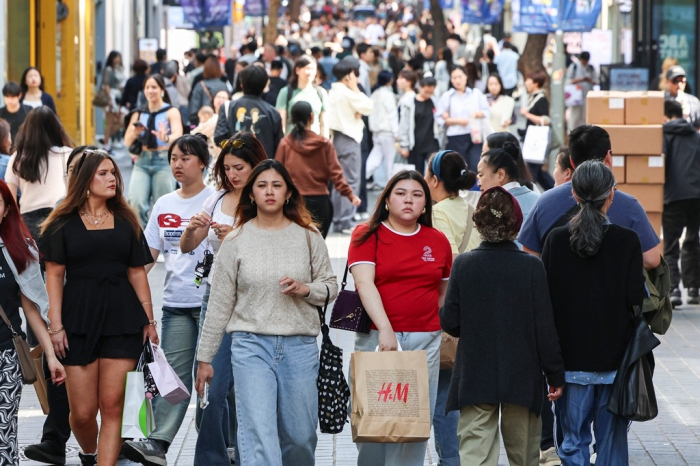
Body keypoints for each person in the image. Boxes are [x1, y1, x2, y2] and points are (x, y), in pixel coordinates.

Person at [195, 159, 339, 465]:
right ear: (251, 194)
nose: (269, 192)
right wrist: (205, 359)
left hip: (299, 347)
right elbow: (219, 304)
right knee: (258, 434)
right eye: (261, 185)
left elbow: (330, 286)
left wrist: (306, 289)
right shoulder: (235, 240)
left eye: (276, 185)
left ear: (288, 193)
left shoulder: (308, 236)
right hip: (250, 346)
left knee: (300, 438)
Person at [40, 149, 158, 466]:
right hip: (77, 319)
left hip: (122, 319)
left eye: (113, 173)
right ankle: (90, 454)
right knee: (81, 413)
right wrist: (56, 326)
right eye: (103, 173)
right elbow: (54, 275)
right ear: (84, 180)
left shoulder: (127, 221)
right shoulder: (60, 224)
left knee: (113, 405)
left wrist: (150, 320)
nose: (112, 179)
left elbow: (137, 272)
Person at [440, 185, 565, 466]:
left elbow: (452, 323)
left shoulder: (464, 265)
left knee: (475, 455)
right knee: (524, 456)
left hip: (475, 374)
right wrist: (556, 374)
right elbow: (545, 328)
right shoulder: (532, 268)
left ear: (479, 224)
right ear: (517, 224)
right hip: (522, 375)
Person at [542, 160, 647, 465]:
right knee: (612, 443)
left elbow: (546, 304)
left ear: (573, 193)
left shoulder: (556, 241)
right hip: (615, 363)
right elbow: (633, 298)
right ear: (611, 194)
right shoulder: (627, 241)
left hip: (570, 363)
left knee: (572, 442)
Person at [121, 134, 215, 466]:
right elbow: (148, 255)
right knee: (172, 378)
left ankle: (220, 445)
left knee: (214, 379)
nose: (177, 163)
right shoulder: (163, 204)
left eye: (185, 158)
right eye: (174, 157)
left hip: (213, 306)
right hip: (175, 303)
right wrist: (125, 287)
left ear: (203, 162)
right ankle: (158, 444)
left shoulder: (216, 200)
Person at [348, 170, 452, 466]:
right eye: (401, 193)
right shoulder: (366, 234)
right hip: (377, 339)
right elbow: (364, 283)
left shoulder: (438, 240)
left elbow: (442, 292)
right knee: (372, 419)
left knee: (414, 423)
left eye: (417, 194)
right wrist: (386, 329)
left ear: (425, 204)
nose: (409, 200)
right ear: (387, 199)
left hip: (425, 342)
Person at [180, 132, 266, 466]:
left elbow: (277, 254)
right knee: (210, 386)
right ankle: (212, 458)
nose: (233, 174)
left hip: (256, 304)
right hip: (216, 299)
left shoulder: (267, 198)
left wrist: (237, 239)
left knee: (244, 389)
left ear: (256, 165)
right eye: (228, 167)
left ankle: (245, 454)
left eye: (240, 167)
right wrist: (192, 228)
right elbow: (188, 246)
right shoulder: (216, 200)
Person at [22, 145, 96, 466]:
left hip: (107, 311)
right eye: (75, 169)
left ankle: (119, 439)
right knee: (58, 369)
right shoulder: (58, 213)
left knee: (110, 385)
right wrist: (53, 318)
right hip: (66, 309)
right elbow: (49, 270)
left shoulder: (116, 212)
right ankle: (54, 440)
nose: (81, 175)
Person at [518, 124, 661, 271]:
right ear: (608, 158)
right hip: (612, 292)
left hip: (557, 293)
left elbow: (529, 257)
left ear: (572, 161)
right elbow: (652, 259)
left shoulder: (544, 202)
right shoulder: (630, 206)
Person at [0, 179, 66, 465]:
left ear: (5, 210)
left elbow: (32, 310)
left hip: (5, 357)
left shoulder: (17, 250)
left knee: (4, 435)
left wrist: (51, 357)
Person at [424, 150, 476, 466]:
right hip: (477, 312)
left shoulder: (439, 212)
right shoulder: (472, 209)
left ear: (433, 179)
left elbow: (452, 263)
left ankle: (451, 460)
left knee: (444, 391)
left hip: (451, 314)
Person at [275, 101, 361, 237]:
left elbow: (277, 175)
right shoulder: (324, 144)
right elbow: (336, 174)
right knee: (317, 250)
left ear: (292, 119)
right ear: (312, 117)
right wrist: (350, 195)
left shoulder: (285, 144)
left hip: (294, 203)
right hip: (321, 203)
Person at [4, 106, 74, 242]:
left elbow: (10, 199)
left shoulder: (18, 157)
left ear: (28, 129)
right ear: (55, 127)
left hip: (28, 221)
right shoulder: (68, 154)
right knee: (59, 262)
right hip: (61, 217)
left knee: (35, 262)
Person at [124, 74, 184, 227]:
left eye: (154, 87)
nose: (150, 91)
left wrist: (166, 138)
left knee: (164, 207)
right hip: (142, 161)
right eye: (147, 88)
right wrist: (135, 132)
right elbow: (127, 141)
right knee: (136, 203)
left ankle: (162, 245)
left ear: (162, 90)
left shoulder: (171, 111)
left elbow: (178, 135)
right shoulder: (139, 113)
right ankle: (141, 245)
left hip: (163, 160)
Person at [325, 60, 373, 233]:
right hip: (349, 138)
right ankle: (344, 221)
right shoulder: (346, 92)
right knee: (350, 180)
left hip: (338, 138)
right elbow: (368, 106)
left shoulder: (333, 91)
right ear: (349, 75)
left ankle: (341, 219)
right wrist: (355, 88)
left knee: (341, 180)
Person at [662, 100, 700, 307]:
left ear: (666, 116)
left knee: (671, 244)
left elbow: (661, 165)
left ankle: (673, 289)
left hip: (673, 196)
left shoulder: (664, 135)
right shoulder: (695, 136)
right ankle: (693, 288)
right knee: (692, 240)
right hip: (696, 195)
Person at [214, 65, 283, 159]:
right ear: (264, 85)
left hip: (235, 167)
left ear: (241, 84)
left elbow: (219, 138)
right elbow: (279, 145)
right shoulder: (273, 112)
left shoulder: (228, 107)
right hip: (262, 167)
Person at [436, 65, 490, 173]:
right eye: (454, 78)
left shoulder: (475, 94)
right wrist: (456, 121)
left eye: (460, 77)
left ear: (466, 76)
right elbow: (439, 118)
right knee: (458, 169)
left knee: (476, 166)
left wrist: (477, 114)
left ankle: (475, 189)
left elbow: (487, 112)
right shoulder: (447, 96)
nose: (457, 80)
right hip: (455, 137)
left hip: (474, 136)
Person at [477, 140, 539, 229]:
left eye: (481, 175)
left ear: (500, 175)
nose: (478, 182)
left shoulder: (492, 205)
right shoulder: (537, 199)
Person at [276, 55, 329, 137]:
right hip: (292, 143)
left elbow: (324, 123)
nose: (310, 72)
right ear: (297, 70)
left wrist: (325, 144)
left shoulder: (321, 93)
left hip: (315, 143)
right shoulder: (286, 92)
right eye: (307, 68)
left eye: (313, 69)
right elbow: (281, 122)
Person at [398, 76, 439, 176]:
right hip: (415, 144)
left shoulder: (435, 101)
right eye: (426, 92)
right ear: (420, 87)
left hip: (431, 143)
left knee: (434, 171)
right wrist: (404, 145)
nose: (428, 95)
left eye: (431, 92)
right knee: (416, 174)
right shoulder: (409, 103)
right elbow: (404, 125)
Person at [520, 70, 554, 190]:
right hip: (531, 138)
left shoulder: (541, 99)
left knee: (533, 170)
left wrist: (527, 114)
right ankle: (553, 189)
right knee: (538, 171)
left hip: (535, 140)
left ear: (535, 83)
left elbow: (545, 120)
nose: (526, 82)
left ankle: (531, 192)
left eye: (528, 80)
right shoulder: (533, 97)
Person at [367, 71, 399, 188]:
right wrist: (396, 132)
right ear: (389, 80)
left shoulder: (374, 94)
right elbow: (392, 114)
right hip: (388, 132)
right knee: (390, 161)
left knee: (374, 158)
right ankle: (392, 187)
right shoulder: (388, 95)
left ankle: (363, 177)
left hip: (376, 132)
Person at [189, 56, 231, 125]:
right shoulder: (224, 85)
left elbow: (193, 107)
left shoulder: (200, 85)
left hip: (204, 120)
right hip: (221, 120)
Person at [566, 52, 597, 131]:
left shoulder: (591, 68)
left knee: (585, 116)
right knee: (574, 116)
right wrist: (580, 79)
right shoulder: (574, 67)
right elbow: (568, 81)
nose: (584, 62)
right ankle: (572, 133)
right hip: (576, 96)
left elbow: (596, 81)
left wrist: (590, 80)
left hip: (587, 95)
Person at [100, 51, 126, 150]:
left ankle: (106, 139)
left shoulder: (119, 69)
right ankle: (106, 143)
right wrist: (109, 99)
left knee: (120, 121)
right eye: (116, 57)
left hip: (118, 97)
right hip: (112, 97)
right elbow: (106, 85)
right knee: (110, 122)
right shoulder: (109, 70)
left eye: (119, 57)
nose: (118, 59)